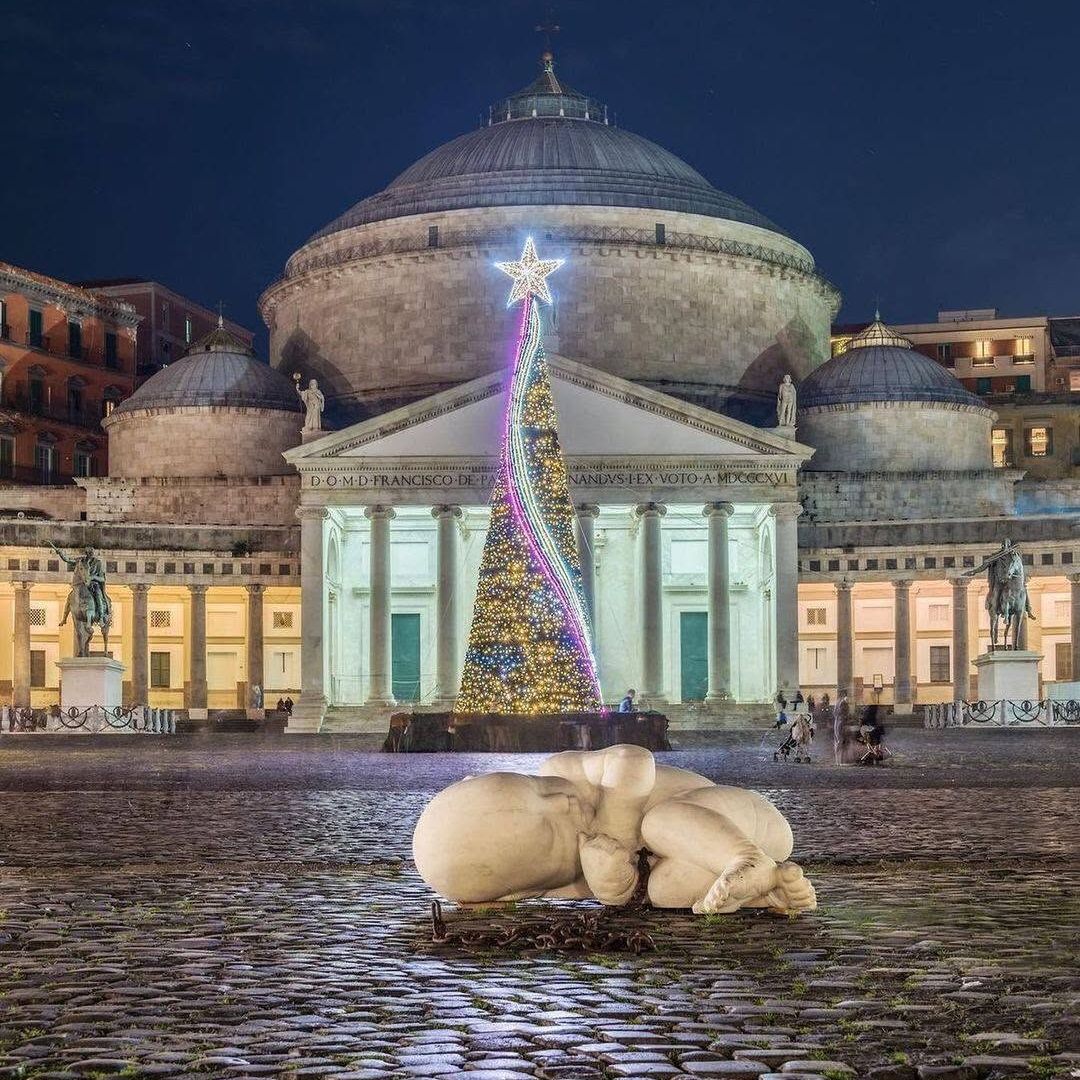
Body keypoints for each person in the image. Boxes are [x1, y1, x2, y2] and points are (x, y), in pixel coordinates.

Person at [413, 744, 816, 916]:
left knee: (658, 823)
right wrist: (614, 888)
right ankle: (769, 889)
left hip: (742, 819)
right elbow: (609, 891)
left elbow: (632, 759)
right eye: (551, 830)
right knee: (661, 890)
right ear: (523, 891)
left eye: (534, 786)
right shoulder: (561, 881)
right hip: (702, 863)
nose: (560, 800)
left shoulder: (564, 770)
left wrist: (619, 833)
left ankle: (747, 859)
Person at [833, 690, 852, 765]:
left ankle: (838, 761)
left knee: (838, 741)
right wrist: (848, 718)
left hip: (837, 722)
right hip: (841, 723)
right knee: (840, 742)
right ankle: (840, 761)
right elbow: (844, 714)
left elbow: (835, 713)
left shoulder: (838, 702)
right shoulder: (843, 703)